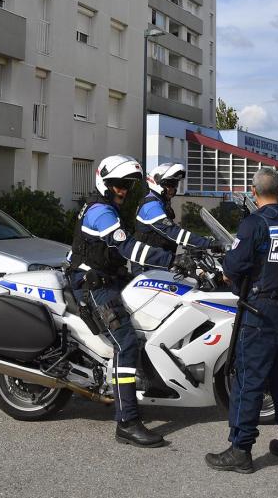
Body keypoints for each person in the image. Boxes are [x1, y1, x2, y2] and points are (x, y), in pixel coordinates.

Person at [69, 154, 183, 448]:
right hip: (92, 285)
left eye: (127, 185)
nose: (123, 190)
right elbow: (126, 246)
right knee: (127, 344)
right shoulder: (100, 212)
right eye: (118, 184)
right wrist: (172, 259)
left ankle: (136, 391)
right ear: (104, 182)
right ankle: (127, 422)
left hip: (110, 278)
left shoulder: (107, 208)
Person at [206, 167, 278, 473]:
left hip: (258, 311)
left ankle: (240, 451)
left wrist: (231, 274)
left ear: (253, 191)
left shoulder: (254, 223)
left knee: (248, 380)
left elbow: (234, 265)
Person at [135, 162, 215, 253]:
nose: (172, 189)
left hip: (160, 261)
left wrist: (198, 240)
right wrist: (209, 243)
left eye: (175, 184)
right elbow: (172, 232)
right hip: (148, 265)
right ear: (157, 182)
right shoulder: (151, 206)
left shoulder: (161, 203)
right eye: (170, 184)